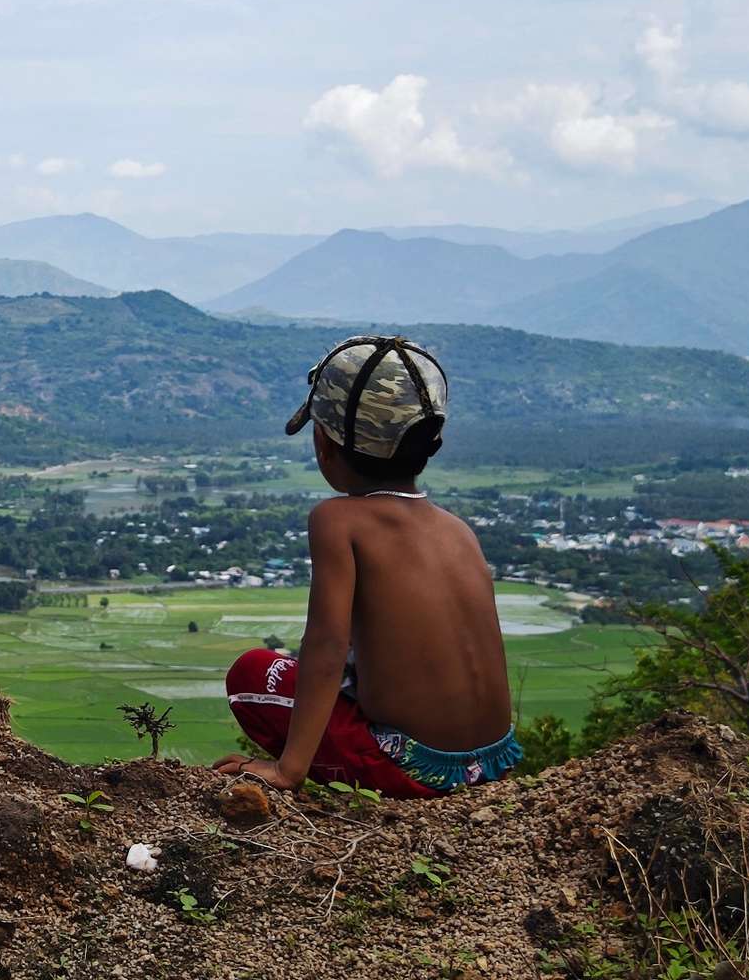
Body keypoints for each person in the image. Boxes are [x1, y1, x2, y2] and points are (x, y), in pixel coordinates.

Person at [212, 335, 521, 797]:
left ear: (324, 444)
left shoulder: (337, 520)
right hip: (495, 763)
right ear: (432, 443)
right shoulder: (458, 530)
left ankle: (309, 768)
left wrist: (288, 770)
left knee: (254, 673)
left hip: (412, 772)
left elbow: (327, 644)